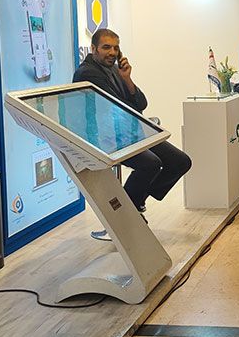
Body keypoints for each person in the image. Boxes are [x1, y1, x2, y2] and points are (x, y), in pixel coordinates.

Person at [75, 28, 193, 211]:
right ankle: (128, 210)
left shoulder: (115, 70)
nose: (112, 52)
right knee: (151, 164)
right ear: (93, 49)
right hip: (107, 138)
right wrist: (132, 106)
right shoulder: (88, 73)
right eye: (106, 47)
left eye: (116, 48)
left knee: (181, 162)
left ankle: (134, 202)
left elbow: (141, 103)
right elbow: (123, 107)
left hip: (128, 132)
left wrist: (127, 79)